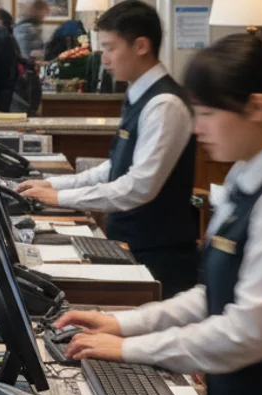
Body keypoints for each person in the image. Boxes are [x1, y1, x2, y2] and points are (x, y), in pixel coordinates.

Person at [58, 34, 262, 395]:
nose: (196, 127)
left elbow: (247, 332)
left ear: (257, 107)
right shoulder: (244, 177)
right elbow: (209, 295)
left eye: (209, 113)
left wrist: (131, 350)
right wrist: (122, 323)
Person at [19, 1, 198, 299]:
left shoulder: (165, 105)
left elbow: (138, 186)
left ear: (141, 45)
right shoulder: (138, 93)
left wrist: (62, 198)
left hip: (158, 254)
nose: (104, 59)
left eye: (110, 47)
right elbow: (115, 167)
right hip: (130, 242)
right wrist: (52, 185)